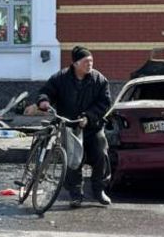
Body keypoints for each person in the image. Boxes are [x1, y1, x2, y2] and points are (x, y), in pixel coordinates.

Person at [37, 46, 112, 208]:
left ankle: (99, 191)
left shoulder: (99, 80)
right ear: (76, 64)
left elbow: (104, 103)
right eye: (86, 61)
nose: (90, 64)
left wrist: (88, 117)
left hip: (92, 126)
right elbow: (46, 91)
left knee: (101, 154)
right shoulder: (61, 78)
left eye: (91, 61)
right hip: (69, 125)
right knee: (73, 160)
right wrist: (43, 101)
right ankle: (76, 194)